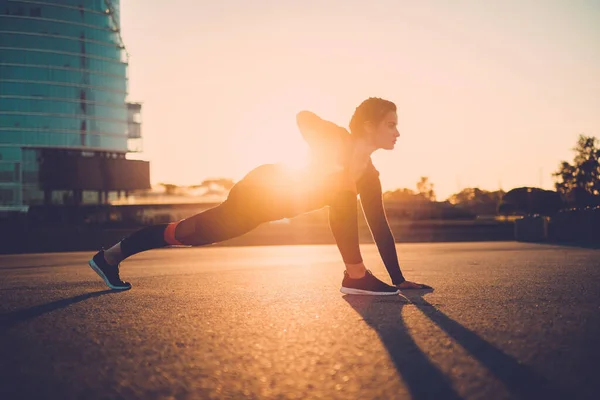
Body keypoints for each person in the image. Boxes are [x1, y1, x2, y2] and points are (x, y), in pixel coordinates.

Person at [88, 97, 431, 294]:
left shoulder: (370, 178)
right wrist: (338, 164)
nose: (398, 132)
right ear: (369, 126)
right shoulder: (336, 138)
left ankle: (109, 257)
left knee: (182, 234)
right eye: (391, 124)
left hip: (259, 212)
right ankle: (355, 277)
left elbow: (379, 227)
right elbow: (304, 117)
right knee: (342, 193)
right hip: (260, 188)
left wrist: (399, 280)